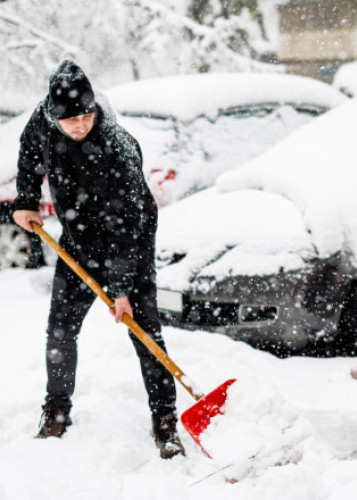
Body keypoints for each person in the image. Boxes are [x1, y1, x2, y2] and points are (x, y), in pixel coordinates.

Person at [12, 59, 184, 460]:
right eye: (70, 120)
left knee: (146, 337)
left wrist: (121, 289)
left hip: (130, 246)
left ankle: (165, 420)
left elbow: (126, 227)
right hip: (77, 241)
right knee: (60, 331)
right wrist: (25, 200)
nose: (79, 124)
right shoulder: (44, 120)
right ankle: (56, 411)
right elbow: (27, 153)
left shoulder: (117, 147)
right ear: (54, 115)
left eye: (86, 115)